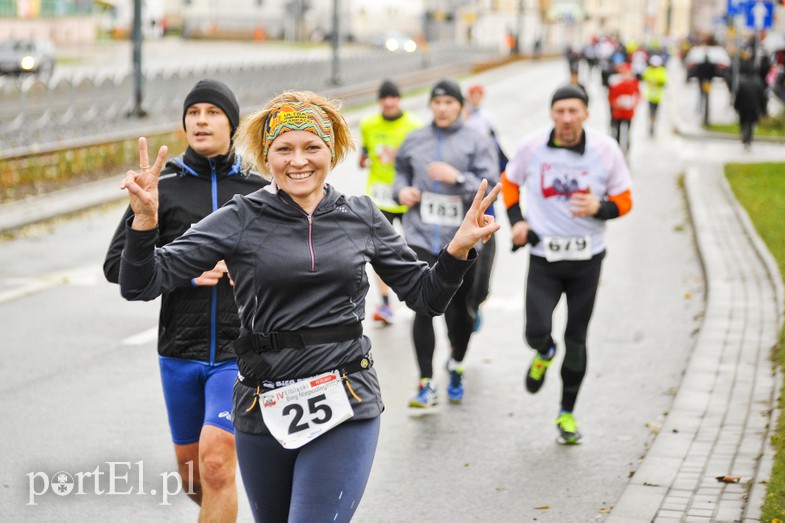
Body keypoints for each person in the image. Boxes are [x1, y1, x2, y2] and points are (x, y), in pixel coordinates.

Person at [116, 90, 501, 522]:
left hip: (345, 394)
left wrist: (456, 252)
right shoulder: (240, 216)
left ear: (331, 152)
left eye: (311, 147)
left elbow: (426, 297)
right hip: (263, 402)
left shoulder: (363, 217)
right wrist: (145, 222)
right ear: (267, 156)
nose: (298, 161)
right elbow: (142, 282)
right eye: (284, 149)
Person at [103, 79, 269, 521]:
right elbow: (117, 267)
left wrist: (249, 268)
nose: (201, 120)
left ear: (232, 124)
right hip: (179, 349)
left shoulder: (258, 189)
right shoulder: (165, 185)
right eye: (193, 112)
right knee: (194, 476)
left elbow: (290, 260)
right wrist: (183, 272)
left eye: (213, 112)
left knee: (216, 463)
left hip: (241, 352)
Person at [501, 84, 633, 445]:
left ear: (586, 114)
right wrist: (518, 221)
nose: (566, 118)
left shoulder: (606, 150)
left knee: (577, 338)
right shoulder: (532, 147)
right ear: (552, 114)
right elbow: (509, 182)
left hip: (587, 260)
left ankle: (566, 413)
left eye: (574, 111)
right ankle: (544, 352)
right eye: (560, 111)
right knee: (535, 331)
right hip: (544, 257)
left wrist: (600, 208)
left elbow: (625, 199)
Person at [393, 79, 500, 407]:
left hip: (462, 239)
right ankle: (425, 382)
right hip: (421, 236)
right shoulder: (414, 139)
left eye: (449, 103)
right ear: (430, 106)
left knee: (460, 311)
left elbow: (492, 183)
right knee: (421, 308)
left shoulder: (477, 140)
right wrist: (402, 191)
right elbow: (399, 173)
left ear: (460, 106)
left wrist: (458, 178)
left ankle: (456, 361)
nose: (442, 109)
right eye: (437, 103)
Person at [359, 79, 423, 325]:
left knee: (414, 249)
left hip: (407, 197)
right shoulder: (367, 123)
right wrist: (364, 159)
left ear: (399, 100)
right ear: (379, 101)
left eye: (393, 97)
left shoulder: (414, 126)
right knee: (379, 252)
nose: (388, 102)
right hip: (378, 197)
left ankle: (418, 292)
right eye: (384, 98)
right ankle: (385, 304)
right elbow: (365, 152)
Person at [463, 83, 508, 332]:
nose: (476, 99)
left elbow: (500, 157)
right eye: (473, 95)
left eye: (480, 95)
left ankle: (477, 301)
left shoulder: (486, 121)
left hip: (485, 200)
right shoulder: (458, 120)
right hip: (461, 202)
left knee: (484, 263)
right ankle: (462, 310)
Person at [607, 62, 640, 154]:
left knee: (627, 133)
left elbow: (638, 96)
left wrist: (634, 102)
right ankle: (617, 151)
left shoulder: (634, 83)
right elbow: (611, 98)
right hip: (618, 113)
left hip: (628, 113)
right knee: (617, 133)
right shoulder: (616, 84)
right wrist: (615, 104)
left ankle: (626, 152)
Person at [733, 62, 767, 150]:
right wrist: (763, 109)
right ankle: (749, 137)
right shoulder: (758, 83)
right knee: (751, 123)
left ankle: (744, 135)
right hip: (754, 107)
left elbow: (738, 96)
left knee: (743, 122)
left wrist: (736, 106)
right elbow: (762, 98)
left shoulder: (742, 83)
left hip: (743, 108)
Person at [642, 54, 667, 136]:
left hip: (658, 96)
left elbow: (663, 81)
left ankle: (653, 125)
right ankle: (650, 125)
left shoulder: (662, 70)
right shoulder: (649, 70)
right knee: (650, 111)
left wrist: (656, 81)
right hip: (650, 96)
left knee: (655, 112)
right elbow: (645, 78)